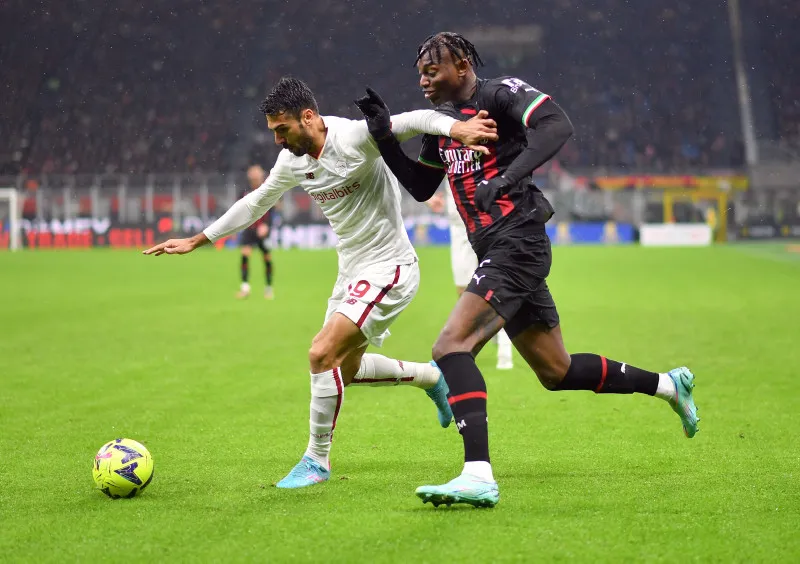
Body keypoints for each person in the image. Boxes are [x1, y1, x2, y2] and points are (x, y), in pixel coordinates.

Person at [356, 32, 699, 508]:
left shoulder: (498, 94)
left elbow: (557, 126)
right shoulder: (442, 125)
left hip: (517, 242)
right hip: (496, 249)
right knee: (555, 370)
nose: (423, 80)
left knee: (450, 346)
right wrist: (384, 139)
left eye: (432, 70)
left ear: (460, 64)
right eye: (419, 73)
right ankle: (669, 385)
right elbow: (419, 186)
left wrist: (505, 178)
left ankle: (478, 474)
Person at [143, 77, 499, 489]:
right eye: (273, 132)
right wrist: (198, 239)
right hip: (350, 272)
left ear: (308, 117)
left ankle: (316, 459)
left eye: (282, 129)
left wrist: (458, 129)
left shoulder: (351, 137)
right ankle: (431, 377)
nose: (277, 140)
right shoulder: (291, 162)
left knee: (320, 353)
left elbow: (414, 119)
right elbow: (255, 202)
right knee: (342, 370)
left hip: (391, 266)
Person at [426, 185, 513, 370]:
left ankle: (505, 353)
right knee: (465, 292)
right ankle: (492, 331)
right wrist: (427, 196)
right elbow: (428, 169)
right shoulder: (446, 155)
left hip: (488, 222)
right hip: (459, 227)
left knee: (496, 284)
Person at [237, 165, 275, 299]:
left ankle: (269, 288)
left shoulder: (267, 190)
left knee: (266, 258)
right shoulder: (244, 192)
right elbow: (238, 210)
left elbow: (272, 211)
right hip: (249, 229)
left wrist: (266, 226)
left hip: (262, 230)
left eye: (257, 174)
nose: (254, 177)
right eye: (252, 174)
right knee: (245, 254)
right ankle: (245, 287)